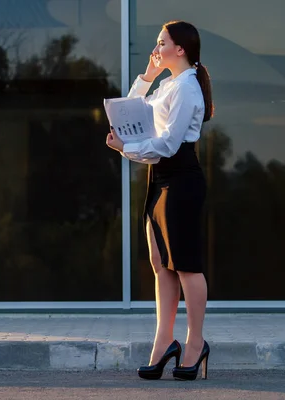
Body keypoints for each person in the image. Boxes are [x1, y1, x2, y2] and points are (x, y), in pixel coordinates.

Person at [106, 20, 213, 381]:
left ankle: (195, 344)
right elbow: (129, 115)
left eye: (161, 42)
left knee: (185, 265)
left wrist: (128, 148)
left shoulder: (187, 88)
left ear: (179, 49)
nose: (156, 47)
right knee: (160, 263)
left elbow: (168, 144)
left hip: (181, 177)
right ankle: (164, 342)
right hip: (160, 178)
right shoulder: (167, 84)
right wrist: (147, 76)